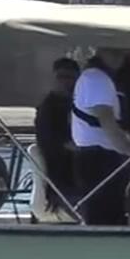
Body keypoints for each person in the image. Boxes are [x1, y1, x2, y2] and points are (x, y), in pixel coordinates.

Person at [71, 48, 130, 225]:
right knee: (104, 216)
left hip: (99, 158)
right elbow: (107, 121)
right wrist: (129, 150)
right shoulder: (96, 78)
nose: (119, 58)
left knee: (111, 212)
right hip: (98, 160)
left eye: (120, 53)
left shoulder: (99, 78)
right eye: (114, 52)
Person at [33, 57, 80, 211]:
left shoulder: (78, 105)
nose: (66, 82)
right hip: (61, 183)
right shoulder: (48, 109)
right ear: (53, 79)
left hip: (82, 176)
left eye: (71, 77)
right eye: (61, 77)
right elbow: (52, 143)